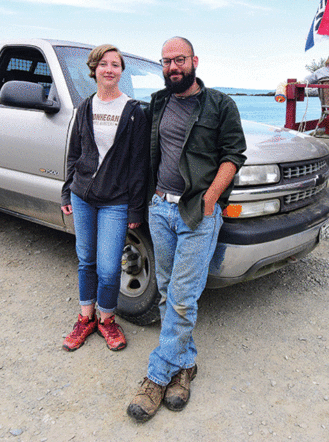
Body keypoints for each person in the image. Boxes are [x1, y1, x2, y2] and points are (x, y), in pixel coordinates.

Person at [127, 37, 247, 422]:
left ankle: (156, 377)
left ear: (195, 60)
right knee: (167, 292)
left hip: (197, 211)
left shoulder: (221, 105)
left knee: (182, 296)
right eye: (166, 62)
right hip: (160, 209)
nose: (172, 67)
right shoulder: (159, 102)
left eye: (179, 60)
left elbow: (233, 155)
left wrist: (211, 198)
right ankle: (185, 366)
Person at [60, 44, 149, 352]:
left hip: (116, 201)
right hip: (82, 195)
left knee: (109, 268)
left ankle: (107, 320)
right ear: (94, 69)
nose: (110, 69)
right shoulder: (84, 107)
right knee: (86, 260)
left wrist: (136, 206)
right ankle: (86, 318)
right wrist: (66, 189)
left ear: (121, 72)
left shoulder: (134, 111)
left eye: (116, 65)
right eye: (105, 64)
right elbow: (74, 152)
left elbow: (140, 164)